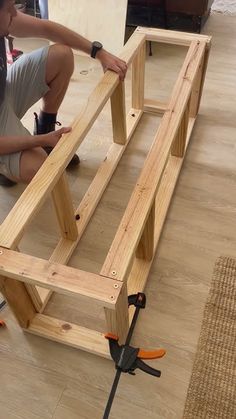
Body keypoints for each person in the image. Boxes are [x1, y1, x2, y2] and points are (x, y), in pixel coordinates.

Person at [0, 0, 127, 186]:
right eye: (9, 8)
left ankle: (45, 129)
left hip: (4, 92)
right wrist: (37, 140)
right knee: (39, 169)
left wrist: (99, 53)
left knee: (62, 56)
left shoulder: (6, 18)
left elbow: (46, 29)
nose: (15, 11)